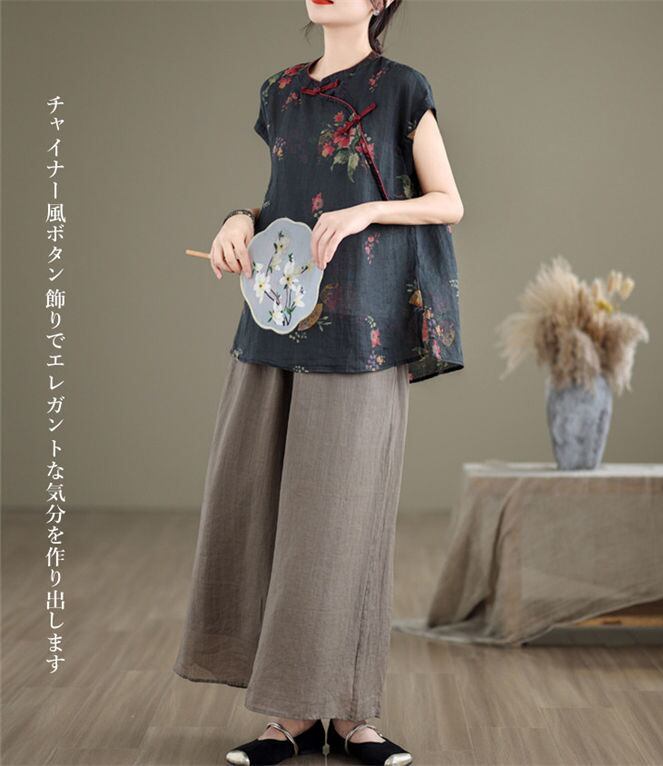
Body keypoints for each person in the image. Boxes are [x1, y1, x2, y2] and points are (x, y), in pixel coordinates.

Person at [172, 0, 465, 764]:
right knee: (259, 511)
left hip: (362, 331)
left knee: (343, 525)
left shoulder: (401, 88)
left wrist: (366, 212)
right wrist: (237, 219)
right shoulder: (280, 92)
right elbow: (283, 200)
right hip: (274, 320)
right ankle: (293, 718)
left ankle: (354, 716)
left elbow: (449, 202)